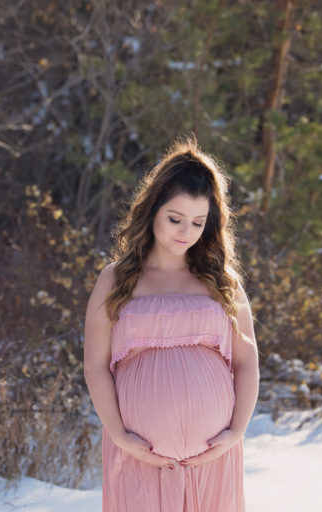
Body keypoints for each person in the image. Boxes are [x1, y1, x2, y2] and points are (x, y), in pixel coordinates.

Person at [83, 138, 259, 512]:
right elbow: (95, 366)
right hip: (137, 455)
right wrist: (120, 435)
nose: (185, 232)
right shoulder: (116, 280)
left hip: (214, 457)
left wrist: (236, 432)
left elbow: (247, 363)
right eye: (175, 219)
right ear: (152, 212)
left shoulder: (222, 282)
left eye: (198, 222)